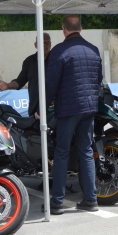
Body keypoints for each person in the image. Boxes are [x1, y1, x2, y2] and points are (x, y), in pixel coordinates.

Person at [44, 16, 101, 214]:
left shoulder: (59, 51)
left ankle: (57, 202)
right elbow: (98, 79)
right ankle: (91, 199)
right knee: (85, 151)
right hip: (89, 107)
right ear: (81, 28)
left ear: (64, 30)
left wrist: (41, 107)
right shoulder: (93, 50)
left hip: (68, 109)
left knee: (62, 152)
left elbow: (50, 83)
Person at [0, 33, 51, 117]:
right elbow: (20, 81)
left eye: (47, 42)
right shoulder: (29, 61)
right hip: (34, 107)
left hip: (53, 107)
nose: (45, 45)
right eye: (42, 42)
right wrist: (7, 85)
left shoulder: (56, 60)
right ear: (36, 45)